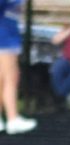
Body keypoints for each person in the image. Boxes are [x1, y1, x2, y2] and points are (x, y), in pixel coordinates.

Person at [0, 0, 36, 133]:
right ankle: (13, 118)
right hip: (4, 38)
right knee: (11, 78)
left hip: (8, 36)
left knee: (3, 79)